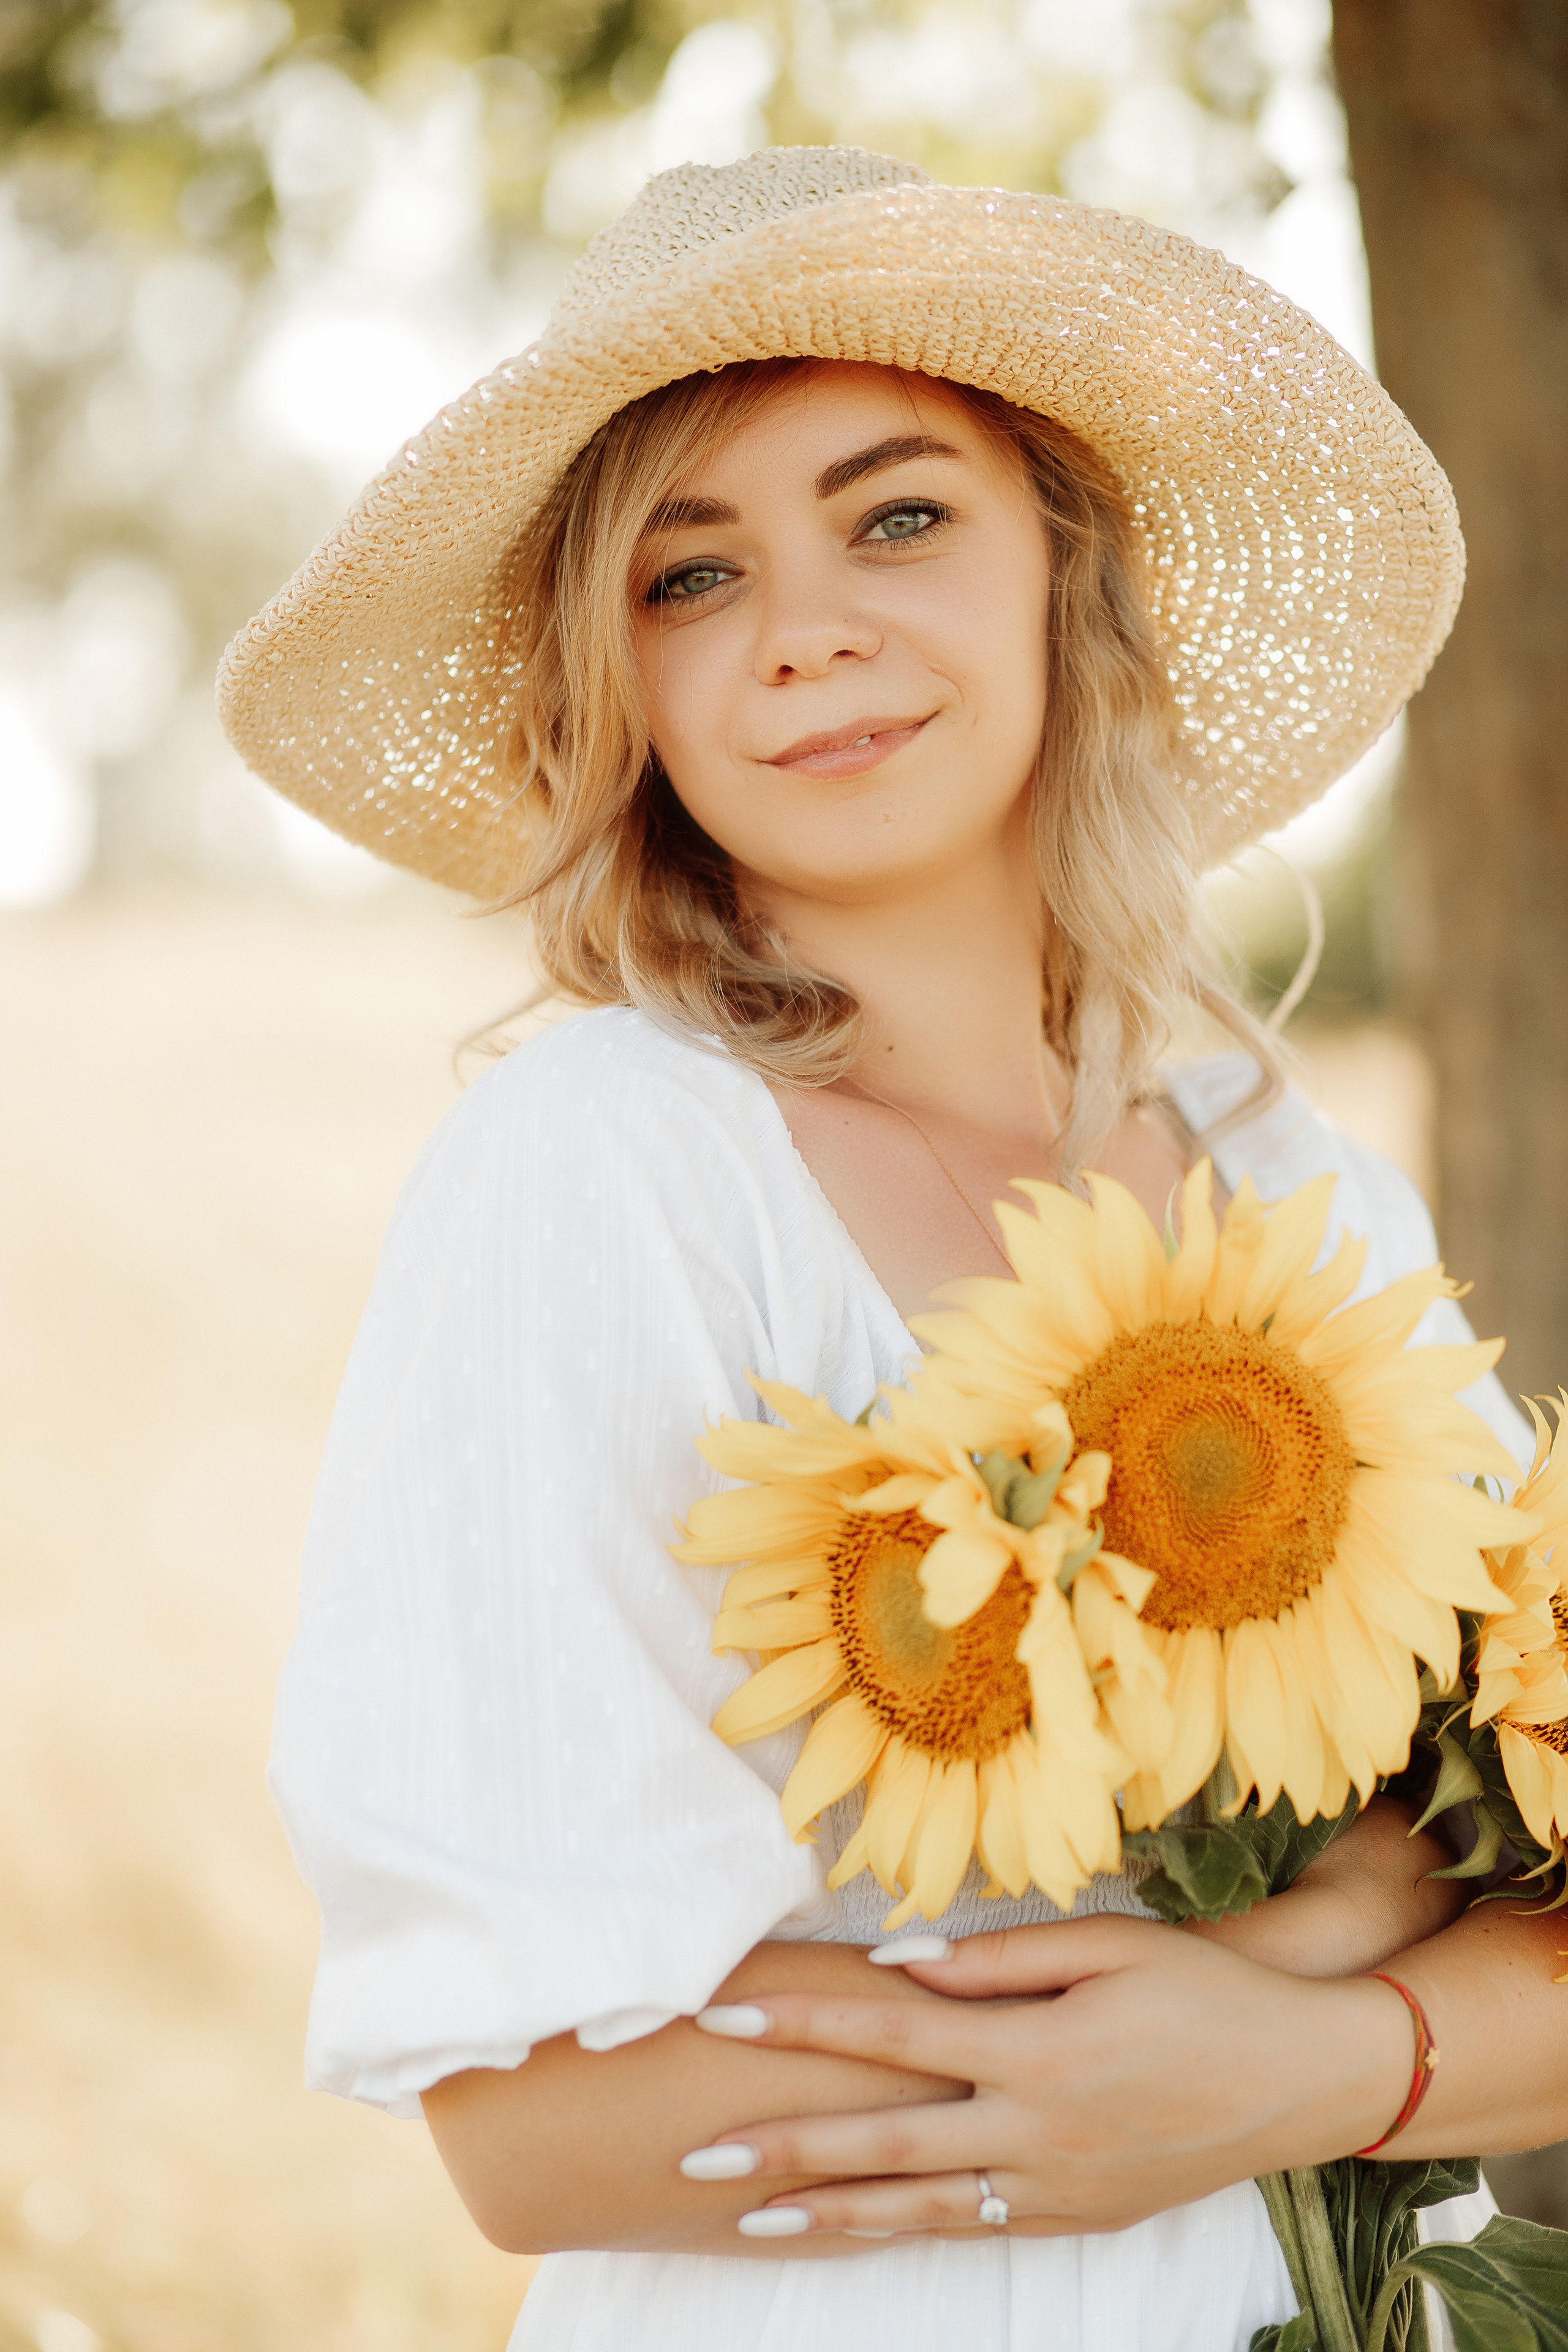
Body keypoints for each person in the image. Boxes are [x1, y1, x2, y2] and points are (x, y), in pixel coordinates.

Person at [222, 148, 1568, 2351]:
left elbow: (1545, 1902)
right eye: (690, 575)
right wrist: (1327, 1959)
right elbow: (544, 2122)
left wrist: (1288, 2058)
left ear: (1072, 564)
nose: (805, 630)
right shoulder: (612, 1175)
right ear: (624, 685)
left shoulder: (1311, 1198)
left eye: (901, 515)